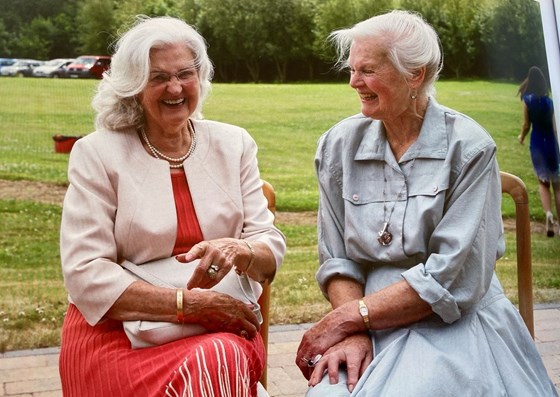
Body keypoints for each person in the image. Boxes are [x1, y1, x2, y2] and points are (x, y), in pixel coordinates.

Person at [295, 10, 558, 396]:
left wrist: (350, 318)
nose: (353, 82)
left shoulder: (470, 147)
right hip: (364, 322)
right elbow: (337, 259)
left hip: (453, 321)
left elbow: (451, 279)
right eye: (351, 70)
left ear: (414, 74)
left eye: (367, 70)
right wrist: (353, 331)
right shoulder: (338, 146)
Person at [59, 16, 285, 397]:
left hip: (222, 326)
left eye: (185, 73)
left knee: (221, 355)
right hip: (117, 335)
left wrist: (240, 249)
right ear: (133, 86)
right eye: (158, 77)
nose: (175, 87)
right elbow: (85, 273)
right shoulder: (96, 154)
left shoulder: (235, 144)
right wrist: (191, 305)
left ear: (201, 77)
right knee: (218, 359)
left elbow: (269, 246)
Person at [518, 66, 560, 237]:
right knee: (557, 185)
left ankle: (548, 215)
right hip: (551, 143)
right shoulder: (551, 102)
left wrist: (521, 136)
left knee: (543, 182)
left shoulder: (527, 100)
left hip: (537, 143)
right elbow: (556, 128)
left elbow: (527, 124)